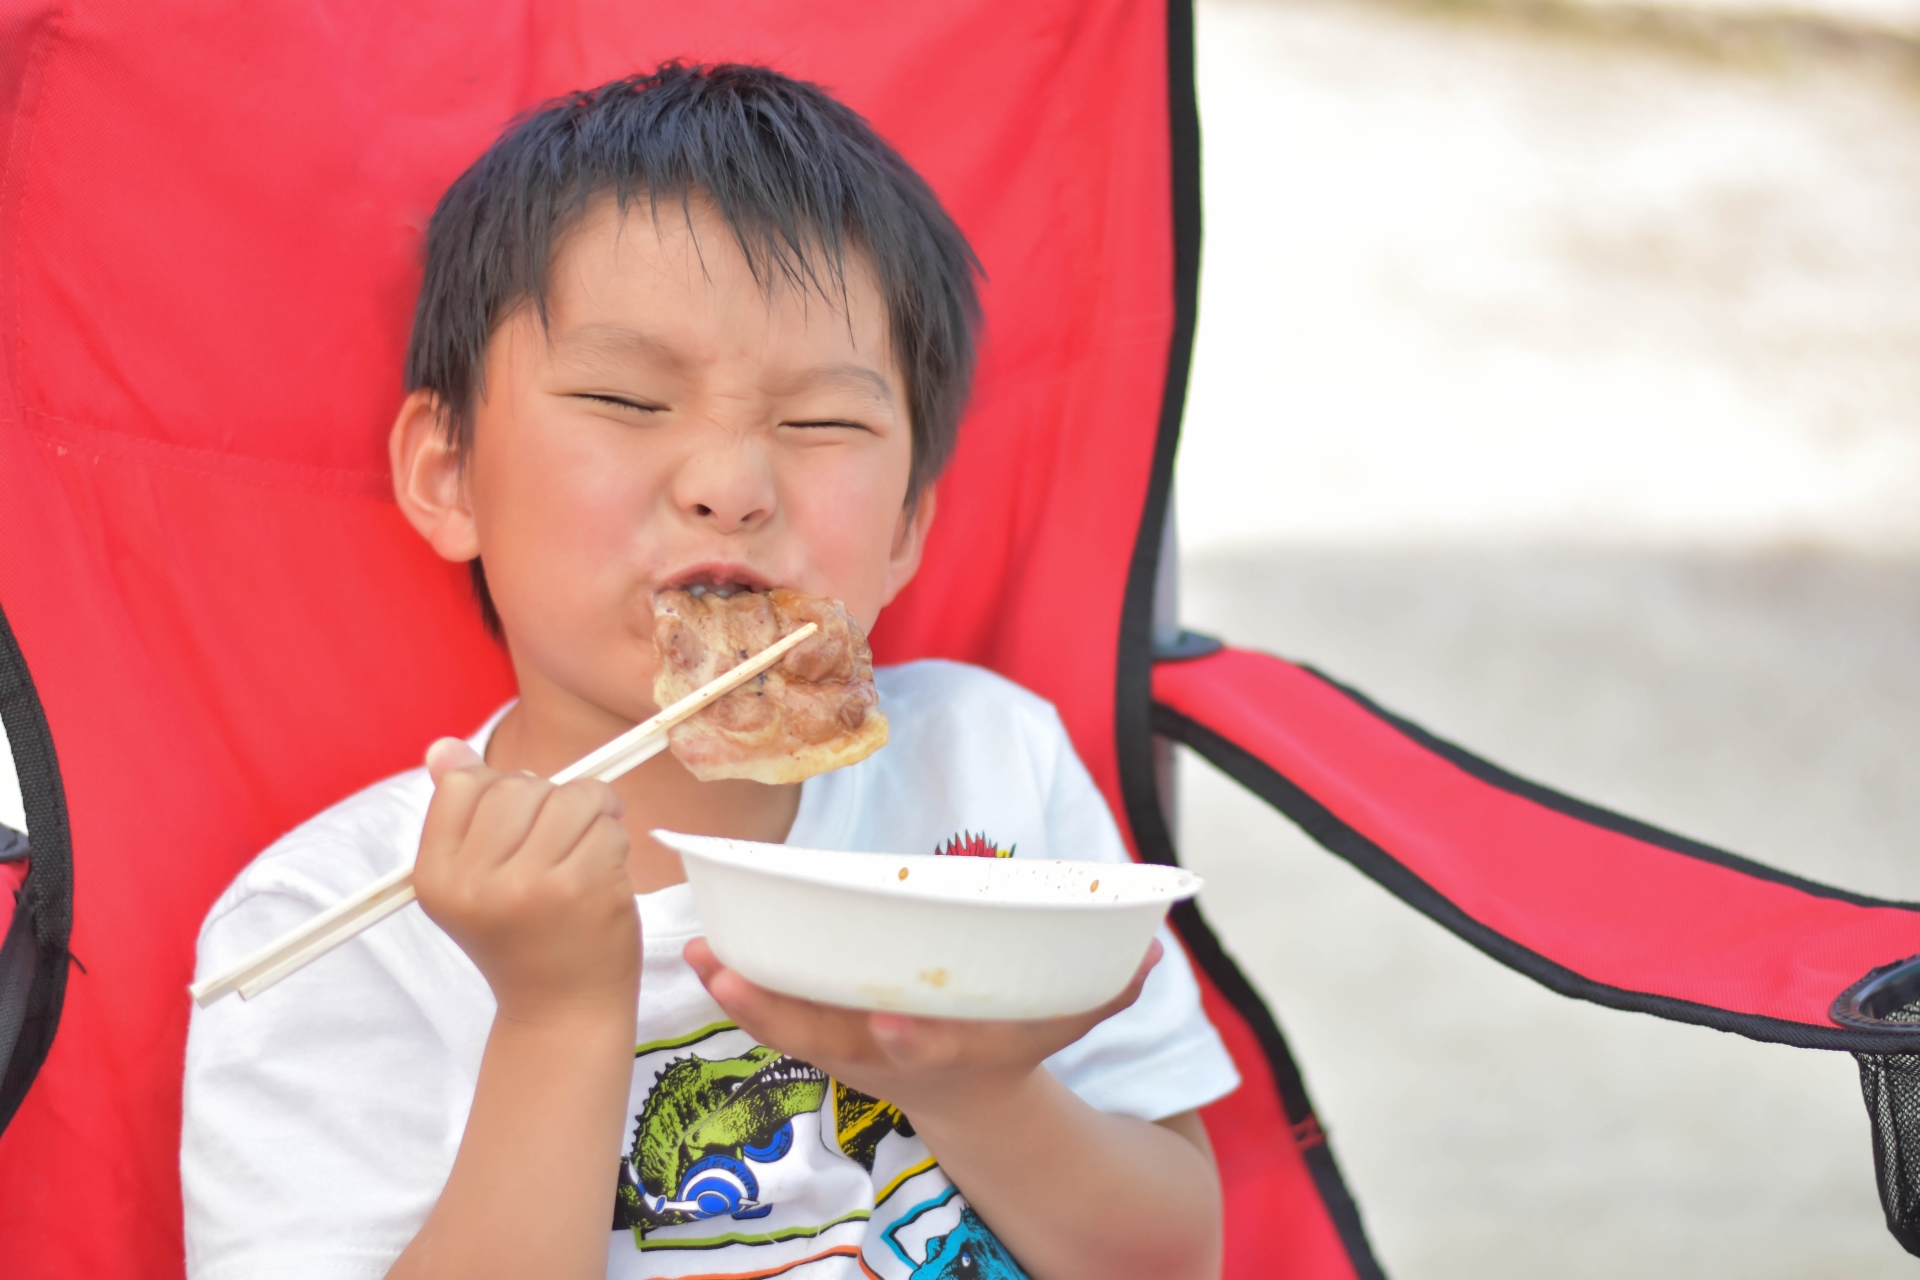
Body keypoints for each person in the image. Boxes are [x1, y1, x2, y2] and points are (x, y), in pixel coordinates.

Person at [182, 63, 1238, 1280]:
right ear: (450, 472)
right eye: (627, 398)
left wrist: (967, 1085)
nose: (732, 482)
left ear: (904, 528)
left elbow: (1174, 1258)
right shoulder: (332, 925)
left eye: (821, 423)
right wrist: (559, 1014)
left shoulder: (991, 769)